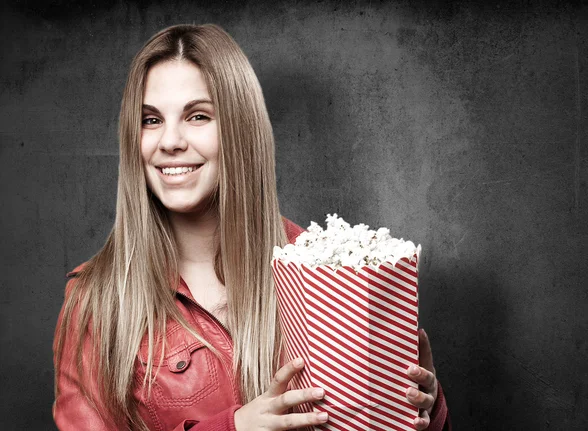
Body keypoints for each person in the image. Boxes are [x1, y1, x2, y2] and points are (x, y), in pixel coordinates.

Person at [52, 24, 450, 431]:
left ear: (241, 129)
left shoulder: (328, 273)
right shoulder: (96, 299)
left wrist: (423, 413)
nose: (169, 141)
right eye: (150, 120)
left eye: (198, 116)